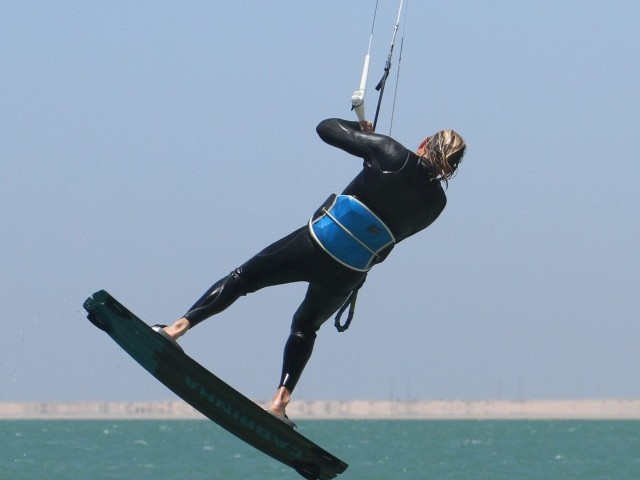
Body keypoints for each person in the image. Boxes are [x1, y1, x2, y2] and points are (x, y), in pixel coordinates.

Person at [154, 117, 466, 425]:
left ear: (424, 143)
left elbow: (326, 129)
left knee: (242, 278)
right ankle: (280, 401)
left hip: (317, 242)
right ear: (451, 167)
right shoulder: (436, 205)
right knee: (305, 327)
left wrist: (360, 131)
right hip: (349, 271)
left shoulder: (391, 152)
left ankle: (177, 329)